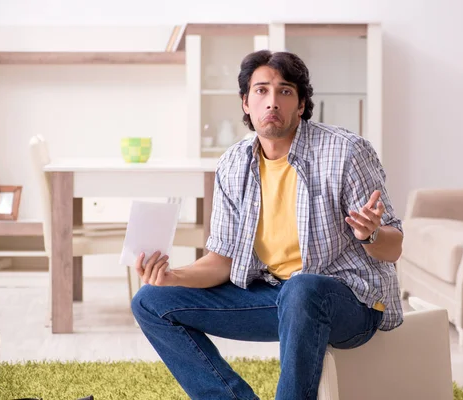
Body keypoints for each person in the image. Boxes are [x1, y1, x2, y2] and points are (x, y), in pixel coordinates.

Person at [131, 49, 404, 400]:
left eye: (285, 91)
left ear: (302, 104)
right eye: (261, 91)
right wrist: (171, 277)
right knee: (150, 300)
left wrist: (371, 234)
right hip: (277, 297)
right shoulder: (234, 164)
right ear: (246, 103)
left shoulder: (346, 151)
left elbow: (394, 246)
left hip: (352, 303)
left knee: (302, 288)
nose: (271, 101)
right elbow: (222, 262)